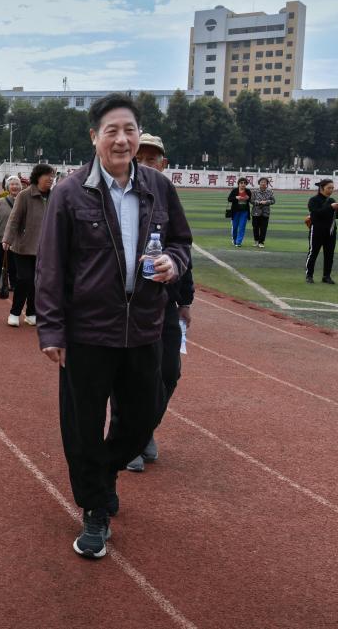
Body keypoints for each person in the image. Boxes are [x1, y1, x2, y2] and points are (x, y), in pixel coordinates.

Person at [35, 93, 192, 559]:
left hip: (144, 326)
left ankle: (102, 475)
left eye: (129, 130)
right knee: (82, 426)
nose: (122, 139)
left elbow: (181, 242)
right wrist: (52, 331)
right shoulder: (69, 193)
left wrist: (174, 263)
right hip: (87, 332)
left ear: (138, 135)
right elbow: (50, 267)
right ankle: (95, 510)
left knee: (142, 417)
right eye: (112, 131)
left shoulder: (158, 187)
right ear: (95, 137)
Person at [123, 134, 195, 473]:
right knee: (130, 375)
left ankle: (144, 428)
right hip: (127, 304)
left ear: (163, 164)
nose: (147, 164)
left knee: (169, 371)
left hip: (164, 302)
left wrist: (186, 301)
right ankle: (129, 439)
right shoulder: (119, 196)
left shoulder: (167, 194)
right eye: (141, 158)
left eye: (153, 159)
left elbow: (183, 247)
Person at [3, 163, 54, 327]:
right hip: (23, 246)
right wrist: (7, 239)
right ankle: (14, 312)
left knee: (38, 282)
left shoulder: (55, 196)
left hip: (45, 248)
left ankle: (32, 313)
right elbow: (14, 219)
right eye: (48, 176)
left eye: (53, 176)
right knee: (24, 279)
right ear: (38, 177)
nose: (51, 179)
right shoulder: (24, 195)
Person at [306, 178, 338, 284]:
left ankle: (326, 276)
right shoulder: (313, 200)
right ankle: (309, 275)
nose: (331, 190)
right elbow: (316, 213)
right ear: (322, 188)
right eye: (329, 188)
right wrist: (331, 207)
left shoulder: (332, 200)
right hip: (317, 230)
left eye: (332, 188)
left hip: (331, 231)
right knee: (313, 253)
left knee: (329, 254)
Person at [0, 176, 22, 292]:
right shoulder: (1, 201)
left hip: (17, 239)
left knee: (14, 263)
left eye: (17, 184)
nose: (14, 187)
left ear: (20, 187)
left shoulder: (24, 201)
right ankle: (2, 281)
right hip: (1, 238)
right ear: (8, 187)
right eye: (12, 184)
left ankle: (14, 283)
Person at [250, 177, 275, 248]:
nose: (263, 183)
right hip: (255, 212)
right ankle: (256, 241)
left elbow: (273, 201)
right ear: (259, 183)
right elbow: (251, 201)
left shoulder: (270, 191)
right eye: (262, 182)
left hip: (265, 212)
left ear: (267, 183)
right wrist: (258, 202)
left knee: (263, 228)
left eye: (265, 182)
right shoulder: (254, 191)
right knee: (255, 227)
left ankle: (261, 242)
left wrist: (266, 202)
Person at [227, 177, 252, 247]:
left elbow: (251, 200)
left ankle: (239, 242)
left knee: (242, 227)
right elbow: (229, 199)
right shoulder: (235, 190)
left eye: (244, 183)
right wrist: (236, 197)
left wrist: (248, 198)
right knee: (235, 227)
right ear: (238, 184)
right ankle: (234, 240)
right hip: (235, 211)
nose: (243, 184)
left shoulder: (248, 191)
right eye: (241, 183)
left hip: (244, 212)